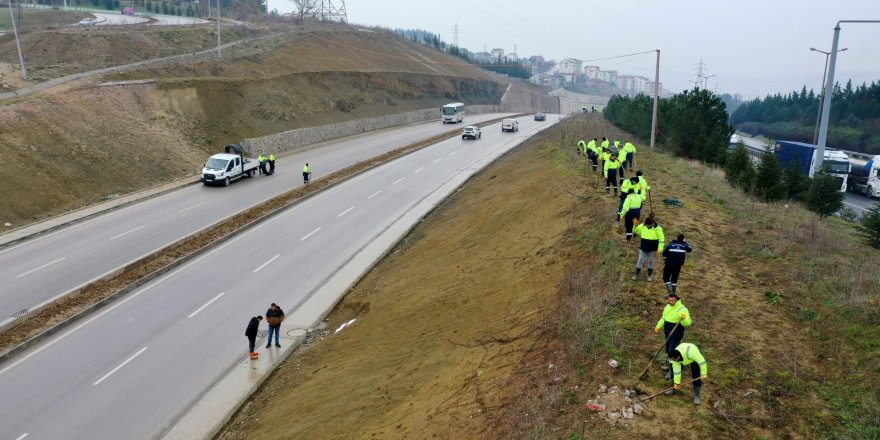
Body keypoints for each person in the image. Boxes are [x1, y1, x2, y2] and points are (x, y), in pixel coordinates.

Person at [654, 292, 692, 380]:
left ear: (676, 299)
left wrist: (684, 318)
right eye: (669, 300)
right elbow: (664, 318)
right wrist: (658, 326)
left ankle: (672, 372)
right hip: (667, 333)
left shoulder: (682, 309)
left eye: (672, 300)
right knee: (668, 350)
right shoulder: (667, 306)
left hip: (676, 334)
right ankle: (670, 366)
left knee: (672, 353)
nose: (670, 302)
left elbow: (688, 323)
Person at [632, 216, 665, 281]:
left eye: (648, 225)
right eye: (645, 225)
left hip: (652, 249)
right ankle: (636, 274)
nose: (646, 226)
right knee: (640, 260)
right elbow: (635, 231)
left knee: (651, 261)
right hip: (643, 247)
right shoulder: (642, 226)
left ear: (651, 224)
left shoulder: (658, 229)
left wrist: (660, 249)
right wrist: (635, 225)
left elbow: (661, 240)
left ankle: (649, 275)